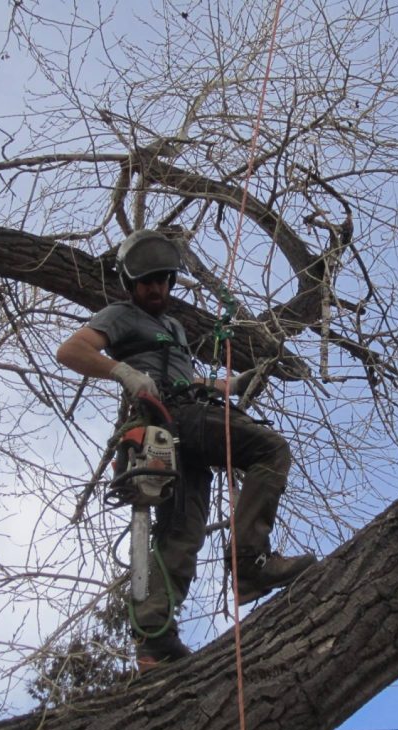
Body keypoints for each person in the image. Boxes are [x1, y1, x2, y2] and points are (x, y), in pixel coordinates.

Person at [56, 229, 317, 671]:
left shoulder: (173, 327)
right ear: (130, 284)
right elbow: (71, 350)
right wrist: (123, 372)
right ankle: (250, 563)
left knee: (183, 533)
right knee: (269, 449)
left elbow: (189, 379)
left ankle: (154, 642)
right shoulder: (120, 314)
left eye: (162, 280)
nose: (156, 289)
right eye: (147, 282)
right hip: (173, 417)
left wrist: (232, 385)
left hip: (186, 416)